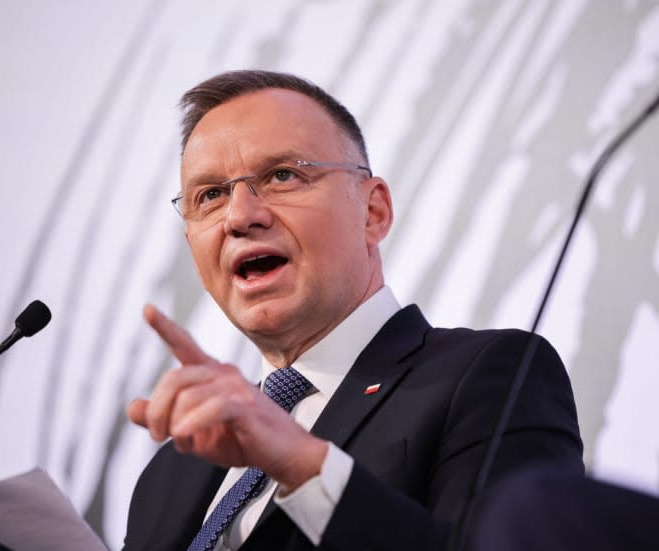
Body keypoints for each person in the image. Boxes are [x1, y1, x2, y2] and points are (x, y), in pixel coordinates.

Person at [122, 70, 583, 551]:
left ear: (373, 212)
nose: (239, 217)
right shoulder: (174, 467)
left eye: (283, 175)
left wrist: (303, 467)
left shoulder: (493, 375)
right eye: (210, 195)